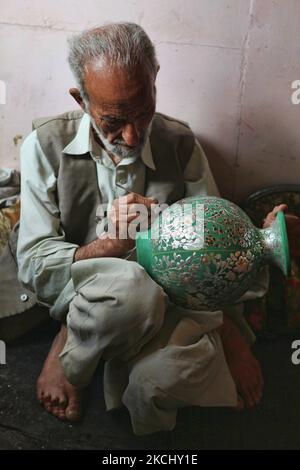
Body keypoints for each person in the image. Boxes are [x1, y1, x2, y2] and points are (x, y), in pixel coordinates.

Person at [16, 22, 300, 435]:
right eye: (113, 120)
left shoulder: (181, 143)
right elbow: (34, 262)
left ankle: (110, 363)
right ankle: (69, 339)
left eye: (143, 112)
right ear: (81, 99)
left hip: (171, 300)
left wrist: (234, 333)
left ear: (154, 80)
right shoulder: (44, 146)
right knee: (128, 290)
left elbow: (216, 245)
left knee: (165, 378)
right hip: (86, 297)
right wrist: (108, 246)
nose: (131, 135)